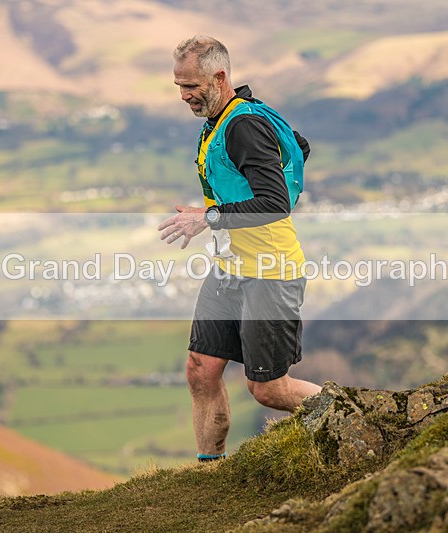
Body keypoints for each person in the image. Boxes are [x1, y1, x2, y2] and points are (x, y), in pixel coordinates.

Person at [158, 35, 321, 463]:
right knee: (201, 368)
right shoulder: (225, 118)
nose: (184, 95)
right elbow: (298, 146)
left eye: (191, 86)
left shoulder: (243, 125)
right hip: (229, 268)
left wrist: (209, 217)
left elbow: (275, 203)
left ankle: (355, 412)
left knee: (269, 389)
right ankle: (209, 473)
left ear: (219, 77)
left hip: (270, 270)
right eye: (179, 86)